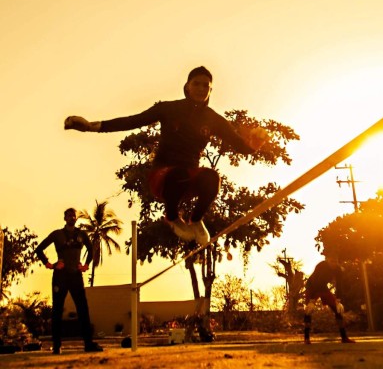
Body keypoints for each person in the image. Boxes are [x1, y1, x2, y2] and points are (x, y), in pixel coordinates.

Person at [64, 66, 269, 243]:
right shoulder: (169, 108)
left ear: (210, 90)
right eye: (196, 84)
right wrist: (92, 126)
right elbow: (132, 121)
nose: (201, 89)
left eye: (206, 85)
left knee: (212, 178)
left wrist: (255, 144)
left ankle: (195, 220)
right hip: (163, 176)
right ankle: (172, 217)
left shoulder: (212, 119)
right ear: (187, 86)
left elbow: (238, 143)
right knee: (178, 173)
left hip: (189, 176)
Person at [34, 208, 103, 354]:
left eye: (73, 215)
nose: (71, 217)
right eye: (69, 215)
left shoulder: (82, 234)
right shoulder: (57, 234)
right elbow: (39, 249)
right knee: (57, 311)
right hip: (60, 276)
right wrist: (50, 265)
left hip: (76, 276)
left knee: (83, 309)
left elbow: (91, 250)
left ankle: (88, 344)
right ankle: (57, 346)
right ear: (64, 218)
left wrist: (85, 265)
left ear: (76, 218)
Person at [303, 255, 355, 344]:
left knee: (337, 310)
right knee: (308, 311)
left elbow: (339, 285)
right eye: (332, 262)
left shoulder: (338, 269)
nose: (334, 264)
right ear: (327, 261)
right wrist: (312, 300)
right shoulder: (321, 266)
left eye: (335, 262)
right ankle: (306, 338)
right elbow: (315, 281)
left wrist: (338, 299)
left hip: (323, 288)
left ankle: (344, 337)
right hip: (312, 287)